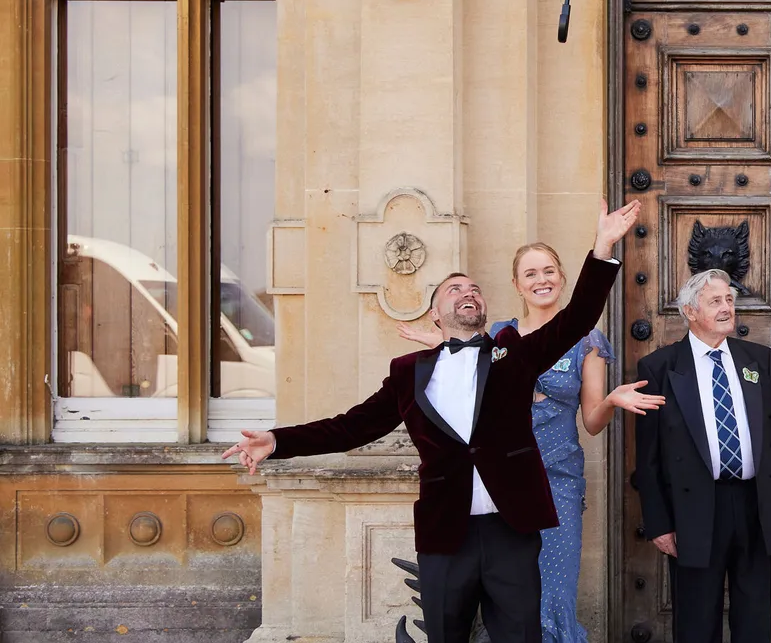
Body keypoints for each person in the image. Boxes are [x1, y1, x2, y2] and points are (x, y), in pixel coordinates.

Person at [222, 199, 641, 643]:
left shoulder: (514, 356)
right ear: (435, 316)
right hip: (447, 534)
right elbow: (350, 426)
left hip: (511, 530)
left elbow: (577, 318)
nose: (467, 293)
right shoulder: (408, 372)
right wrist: (275, 440)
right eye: (454, 290)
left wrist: (602, 247)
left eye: (475, 289)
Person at [398, 241, 664, 643]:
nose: (542, 280)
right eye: (531, 274)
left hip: (556, 481)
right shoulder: (500, 334)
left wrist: (610, 400)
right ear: (517, 285)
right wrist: (434, 345)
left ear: (562, 278)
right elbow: (464, 368)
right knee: (505, 600)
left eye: (549, 271)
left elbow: (591, 422)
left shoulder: (586, 339)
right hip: (501, 484)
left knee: (553, 593)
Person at [632, 268, 771, 643]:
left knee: (754, 618)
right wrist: (658, 523)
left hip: (755, 505)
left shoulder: (757, 359)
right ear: (690, 312)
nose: (727, 308)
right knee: (695, 621)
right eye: (716, 301)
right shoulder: (659, 367)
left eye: (729, 300)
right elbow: (649, 456)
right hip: (694, 510)